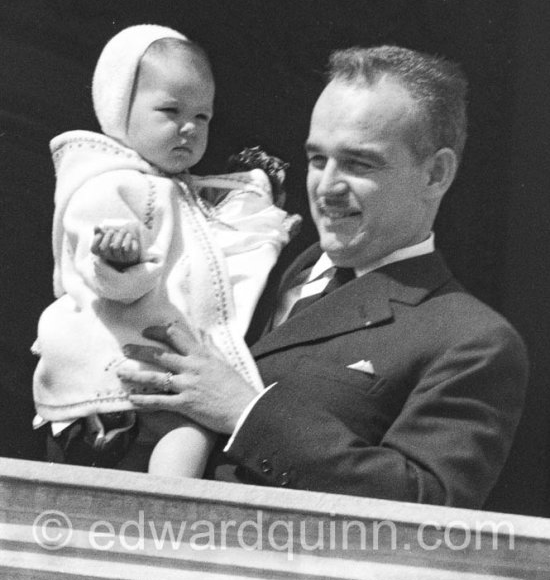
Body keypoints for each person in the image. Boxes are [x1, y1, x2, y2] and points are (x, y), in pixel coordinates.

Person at [116, 45, 528, 508]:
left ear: (435, 173)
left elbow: (424, 505)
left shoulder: (470, 340)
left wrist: (246, 413)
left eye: (358, 164)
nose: (327, 188)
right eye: (317, 160)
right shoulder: (246, 260)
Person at [33, 24, 298, 478]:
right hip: (112, 357)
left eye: (203, 117)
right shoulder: (105, 183)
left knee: (192, 431)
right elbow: (97, 266)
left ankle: (162, 508)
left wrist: (265, 226)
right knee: (189, 432)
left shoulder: (184, 192)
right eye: (171, 110)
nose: (189, 128)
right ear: (121, 109)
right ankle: (166, 508)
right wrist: (119, 258)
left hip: (156, 363)